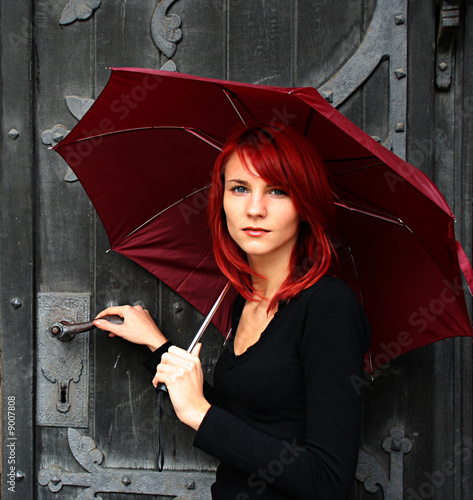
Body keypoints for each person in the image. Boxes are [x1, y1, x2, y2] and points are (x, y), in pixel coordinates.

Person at [94, 124, 371, 499]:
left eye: (277, 190)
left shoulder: (328, 307)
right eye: (239, 188)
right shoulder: (245, 298)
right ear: (221, 198)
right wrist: (156, 344)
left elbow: (328, 482)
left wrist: (198, 414)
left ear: (305, 205)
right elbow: (249, 420)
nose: (254, 209)